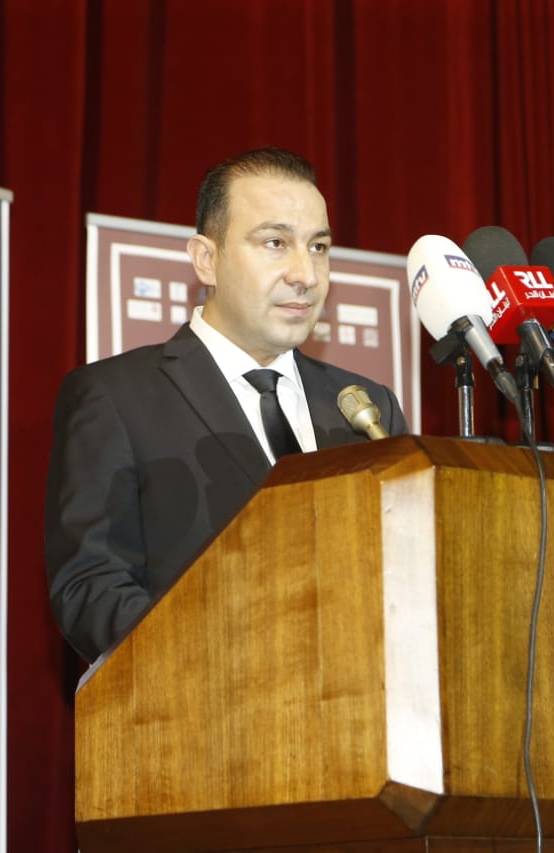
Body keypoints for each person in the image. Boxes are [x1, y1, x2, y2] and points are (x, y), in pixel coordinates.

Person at [44, 147, 409, 662]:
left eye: (319, 247)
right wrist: (229, 663)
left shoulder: (366, 410)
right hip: (202, 700)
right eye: (275, 243)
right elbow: (91, 590)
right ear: (206, 259)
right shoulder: (116, 397)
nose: (306, 274)